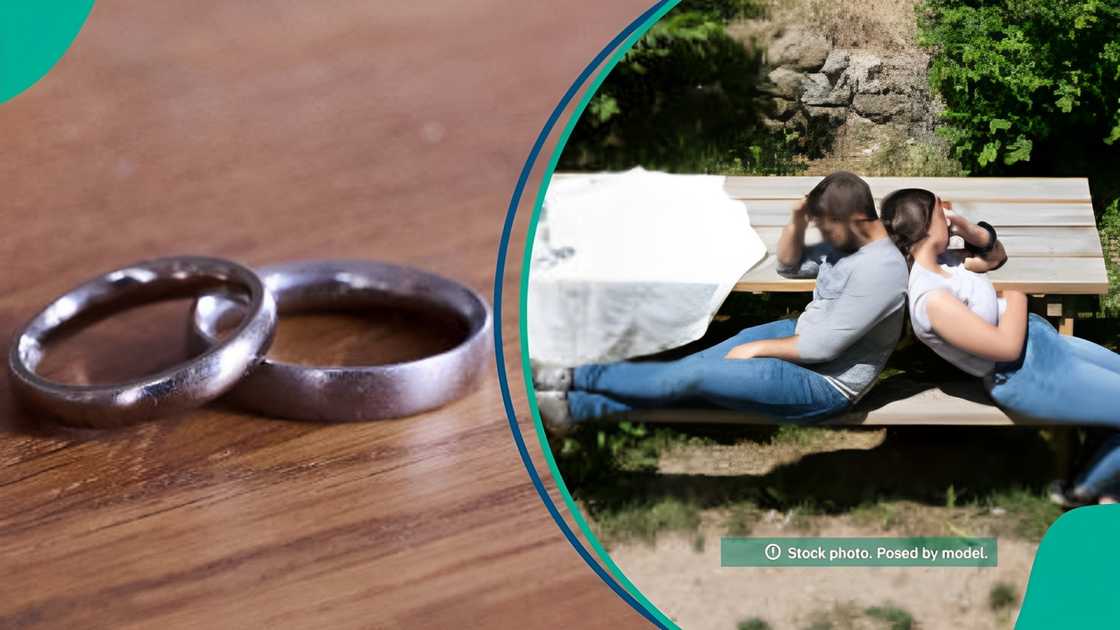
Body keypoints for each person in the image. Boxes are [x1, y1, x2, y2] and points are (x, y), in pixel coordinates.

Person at [532, 171, 909, 435]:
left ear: (858, 218)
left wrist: (754, 349)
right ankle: (574, 408)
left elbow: (822, 347)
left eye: (826, 228)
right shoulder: (850, 241)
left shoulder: (881, 271)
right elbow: (788, 265)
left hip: (824, 383)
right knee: (685, 373)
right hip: (801, 336)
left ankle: (569, 376)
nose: (823, 236)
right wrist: (797, 220)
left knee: (692, 377)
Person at [879, 187, 1120, 506]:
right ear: (926, 226)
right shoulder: (931, 298)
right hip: (1024, 375)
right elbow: (1004, 348)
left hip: (1041, 342)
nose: (948, 213)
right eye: (941, 210)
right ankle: (1081, 491)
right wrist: (1017, 292)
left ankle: (1106, 484)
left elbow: (996, 256)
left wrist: (968, 229)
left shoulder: (946, 261)